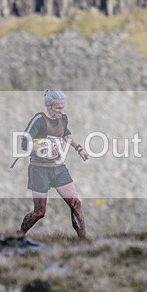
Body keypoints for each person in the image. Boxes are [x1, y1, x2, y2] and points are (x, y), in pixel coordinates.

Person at [17, 90, 90, 239]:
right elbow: (24, 144)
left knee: (75, 203)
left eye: (63, 107)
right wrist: (46, 147)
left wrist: (79, 149)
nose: (61, 111)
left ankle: (84, 240)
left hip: (58, 168)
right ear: (48, 106)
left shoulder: (63, 118)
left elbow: (66, 134)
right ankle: (19, 234)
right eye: (58, 108)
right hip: (39, 170)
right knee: (39, 212)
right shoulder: (38, 120)